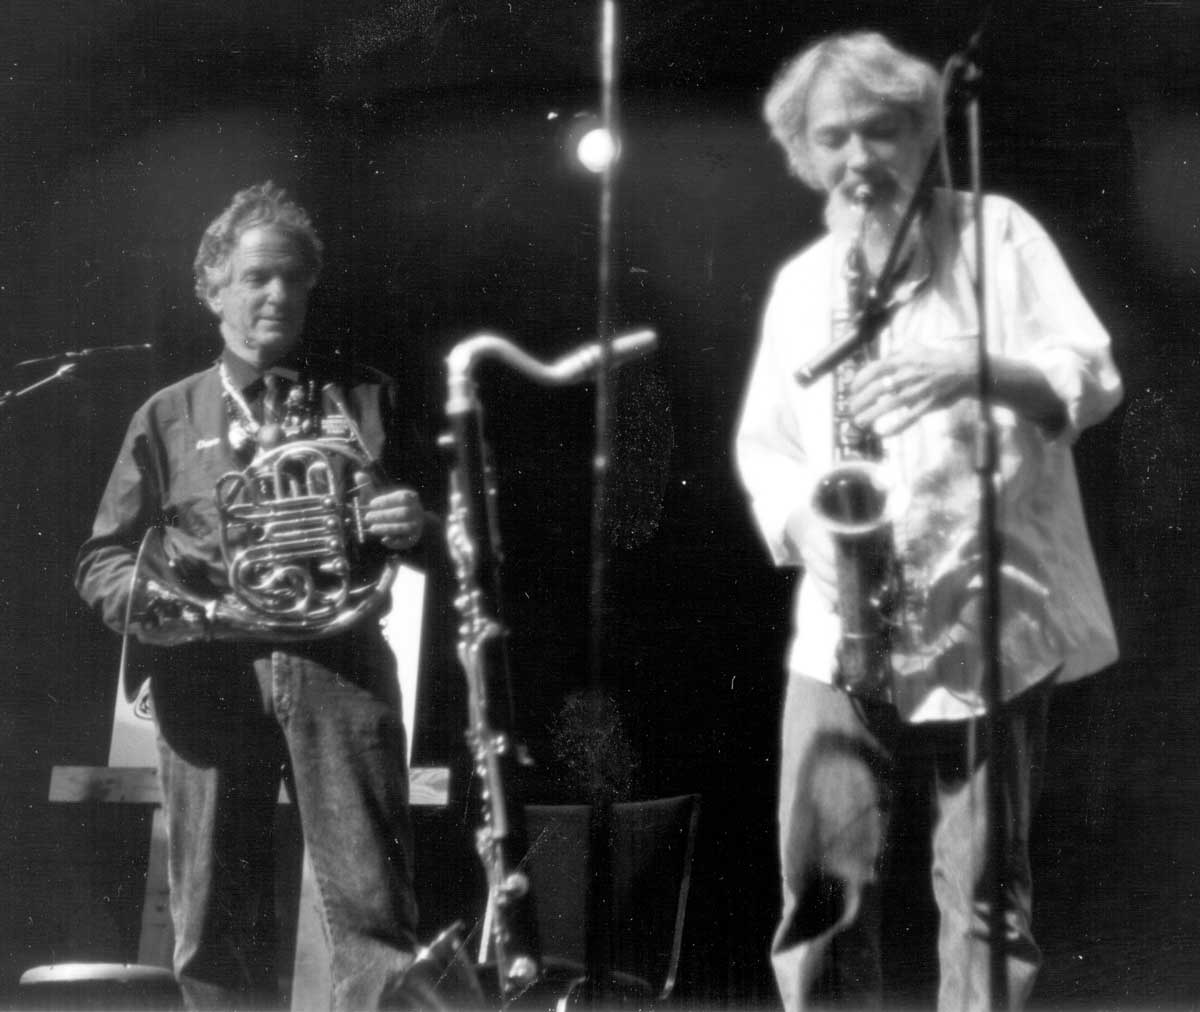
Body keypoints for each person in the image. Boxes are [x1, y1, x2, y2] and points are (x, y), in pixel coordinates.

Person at [735, 31, 1123, 1011]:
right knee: (820, 893)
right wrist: (808, 531)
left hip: (992, 609)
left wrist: (973, 366)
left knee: (986, 898)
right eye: (833, 140)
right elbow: (767, 449)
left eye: (881, 132)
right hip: (845, 626)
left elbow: (1095, 374)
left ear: (926, 135)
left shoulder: (998, 233)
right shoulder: (802, 286)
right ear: (803, 153)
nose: (858, 160)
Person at [75, 182, 430, 1010]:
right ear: (213, 290)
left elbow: (452, 539)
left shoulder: (366, 398)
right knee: (212, 918)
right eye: (257, 278)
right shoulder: (165, 415)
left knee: (373, 909)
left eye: (295, 279)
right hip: (207, 672)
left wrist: (416, 519)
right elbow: (102, 557)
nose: (279, 295)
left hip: (338, 666)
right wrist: (152, 605)